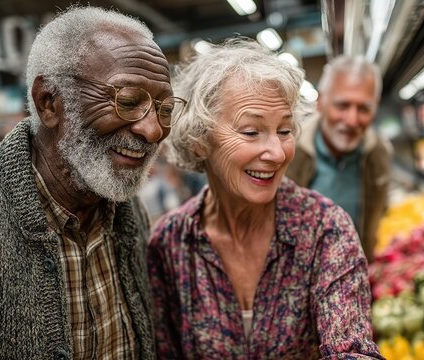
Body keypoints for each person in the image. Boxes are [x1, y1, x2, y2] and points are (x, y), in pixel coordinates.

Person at [0, 6, 184, 359]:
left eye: (164, 109)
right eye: (128, 100)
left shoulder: (124, 206)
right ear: (49, 102)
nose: (152, 130)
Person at [147, 39, 383, 359]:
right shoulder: (170, 244)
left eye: (284, 131)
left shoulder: (324, 228)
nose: (276, 153)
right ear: (200, 138)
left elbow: (351, 348)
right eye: (251, 132)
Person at [286, 56, 392, 262]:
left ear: (375, 108)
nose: (352, 120)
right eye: (342, 106)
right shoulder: (289, 151)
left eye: (364, 108)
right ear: (321, 102)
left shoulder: (380, 152)